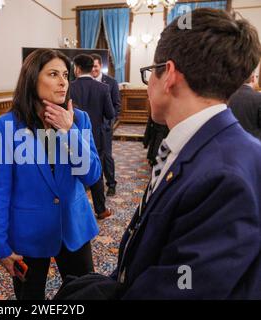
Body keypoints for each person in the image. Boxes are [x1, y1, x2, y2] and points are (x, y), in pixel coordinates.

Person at [56, 8, 261, 299]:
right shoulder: (204, 144)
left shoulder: (224, 176)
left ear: (169, 76)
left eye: (150, 72)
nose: (148, 82)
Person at [0, 48, 102, 300]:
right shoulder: (5, 126)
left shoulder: (78, 119)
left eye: (65, 74)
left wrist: (68, 131)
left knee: (85, 295)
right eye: (53, 74)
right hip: (28, 232)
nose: (63, 82)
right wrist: (0, 245)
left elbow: (92, 175)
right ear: (32, 79)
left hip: (73, 226)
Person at [70, 54, 115, 220]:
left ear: (77, 68)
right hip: (95, 137)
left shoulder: (69, 87)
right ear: (91, 69)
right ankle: (101, 209)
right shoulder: (103, 88)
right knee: (96, 173)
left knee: (72, 173)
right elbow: (110, 113)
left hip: (71, 137)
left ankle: (75, 212)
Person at [91, 53, 121, 196]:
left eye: (96, 66)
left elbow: (116, 106)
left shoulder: (111, 82)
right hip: (88, 128)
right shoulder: (84, 82)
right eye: (91, 66)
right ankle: (92, 182)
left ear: (100, 66)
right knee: (90, 155)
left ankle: (111, 184)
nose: (93, 69)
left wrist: (110, 122)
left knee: (107, 157)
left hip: (105, 128)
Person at [228, 69, 261, 140]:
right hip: (255, 145)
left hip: (230, 141)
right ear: (252, 78)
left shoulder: (227, 96)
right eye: (257, 77)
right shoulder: (259, 97)